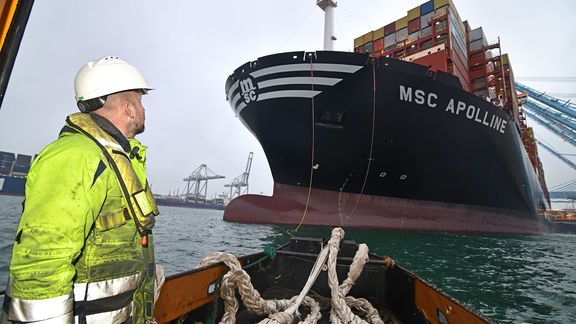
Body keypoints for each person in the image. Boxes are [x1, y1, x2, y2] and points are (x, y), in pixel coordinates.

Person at [2, 56, 162, 323]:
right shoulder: (77, 157)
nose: (144, 109)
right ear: (129, 109)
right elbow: (42, 261)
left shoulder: (114, 157)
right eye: (140, 101)